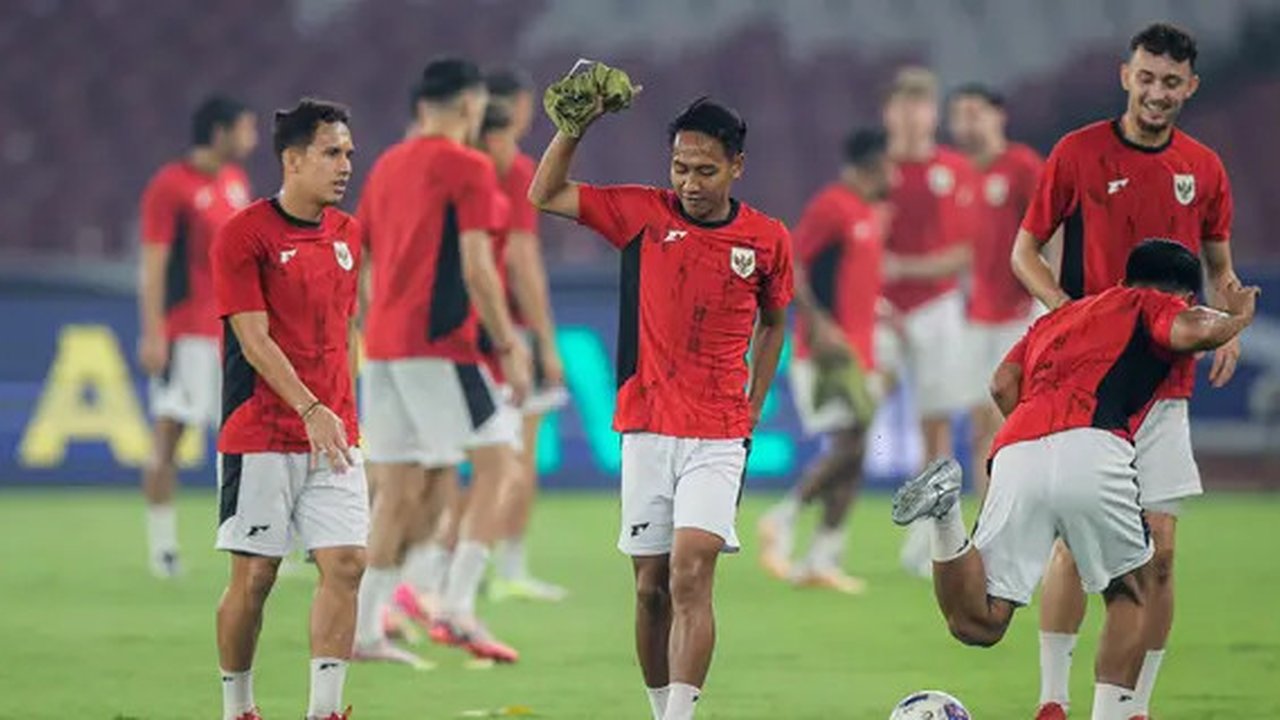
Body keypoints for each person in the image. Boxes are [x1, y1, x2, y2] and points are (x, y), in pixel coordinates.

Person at [893, 239, 1257, 720]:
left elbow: (1002, 383)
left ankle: (944, 519)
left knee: (979, 621)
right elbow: (1189, 330)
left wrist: (1037, 437)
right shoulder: (1154, 304)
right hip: (1094, 445)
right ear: (1185, 293)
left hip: (1016, 449)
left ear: (1126, 276)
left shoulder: (1056, 319)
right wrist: (1235, 319)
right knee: (1133, 592)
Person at [530, 92, 793, 720]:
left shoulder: (766, 239)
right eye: (679, 167)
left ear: (737, 166)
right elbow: (545, 193)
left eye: (705, 170)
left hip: (718, 436)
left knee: (690, 572)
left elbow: (775, 324)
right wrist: (575, 128)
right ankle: (658, 709)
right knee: (650, 591)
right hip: (646, 429)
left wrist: (752, 407)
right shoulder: (640, 215)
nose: (689, 182)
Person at [1010, 24, 1240, 719]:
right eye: (1146, 78)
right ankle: (1053, 700)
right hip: (1087, 386)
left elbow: (1221, 266)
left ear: (1189, 88)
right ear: (1125, 75)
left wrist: (1225, 323)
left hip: (1166, 385)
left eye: (1171, 82)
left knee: (1160, 555)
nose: (1156, 92)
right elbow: (1026, 251)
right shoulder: (1078, 153)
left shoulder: (1204, 167)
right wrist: (1063, 313)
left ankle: (1134, 705)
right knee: (1081, 547)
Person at [355, 57, 530, 665]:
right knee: (500, 465)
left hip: (382, 345)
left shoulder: (384, 166)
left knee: (399, 490)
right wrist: (509, 344)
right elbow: (479, 268)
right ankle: (456, 606)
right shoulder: (468, 166)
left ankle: (362, 630)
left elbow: (363, 259)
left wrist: (370, 328)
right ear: (469, 106)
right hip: (439, 344)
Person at [211, 99, 364, 720]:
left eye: (349, 152)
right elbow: (254, 339)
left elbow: (344, 331)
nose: (346, 164)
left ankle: (325, 712)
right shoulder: (244, 235)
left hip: (334, 432)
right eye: (332, 152)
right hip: (264, 432)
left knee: (348, 563)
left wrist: (343, 409)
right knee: (256, 579)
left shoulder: (350, 235)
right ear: (293, 158)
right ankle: (238, 707)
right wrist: (310, 407)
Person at [757, 128, 894, 594]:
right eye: (887, 167)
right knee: (851, 445)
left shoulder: (867, 213)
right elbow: (791, 264)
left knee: (854, 455)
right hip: (827, 355)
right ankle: (783, 516)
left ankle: (822, 557)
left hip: (861, 352)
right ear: (870, 166)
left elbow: (857, 283)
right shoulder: (831, 206)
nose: (892, 175)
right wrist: (819, 324)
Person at [137, 95, 256, 577]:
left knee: (245, 438)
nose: (251, 139)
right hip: (186, 332)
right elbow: (153, 265)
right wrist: (153, 333)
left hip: (233, 330)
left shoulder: (235, 183)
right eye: (245, 128)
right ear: (220, 131)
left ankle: (252, 539)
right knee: (170, 436)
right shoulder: (171, 186)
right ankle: (163, 548)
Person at [879, 67, 983, 578]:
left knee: (935, 425)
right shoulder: (875, 170)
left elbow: (965, 252)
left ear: (932, 113)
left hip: (938, 308)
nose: (912, 116)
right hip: (882, 310)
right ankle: (817, 532)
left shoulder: (955, 171)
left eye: (920, 105)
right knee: (855, 416)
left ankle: (930, 534)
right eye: (903, 105)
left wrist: (902, 268)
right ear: (889, 113)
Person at [483, 68, 570, 603]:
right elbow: (522, 258)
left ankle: (432, 574)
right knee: (517, 457)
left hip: (456, 329)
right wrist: (546, 338)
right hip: (507, 327)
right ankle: (505, 569)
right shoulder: (516, 170)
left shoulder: (454, 166)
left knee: (446, 465)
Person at [947, 83, 1047, 498]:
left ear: (997, 115)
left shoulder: (1022, 165)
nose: (966, 122)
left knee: (1016, 424)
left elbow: (1051, 228)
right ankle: (990, 523)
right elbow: (963, 249)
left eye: (975, 112)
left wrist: (1050, 294)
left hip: (1022, 314)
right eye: (958, 114)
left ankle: (1024, 515)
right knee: (979, 427)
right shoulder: (959, 175)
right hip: (977, 318)